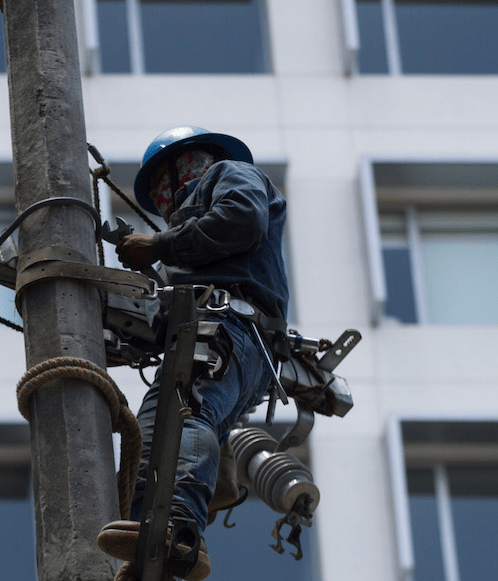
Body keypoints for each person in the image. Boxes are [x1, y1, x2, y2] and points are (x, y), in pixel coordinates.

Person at [96, 126, 290, 581]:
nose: (165, 199)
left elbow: (242, 218)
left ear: (187, 165)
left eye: (166, 183)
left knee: (182, 413)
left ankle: (177, 528)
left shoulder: (232, 173)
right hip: (224, 336)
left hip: (231, 326)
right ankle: (152, 545)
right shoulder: (188, 251)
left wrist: (158, 245)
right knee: (151, 428)